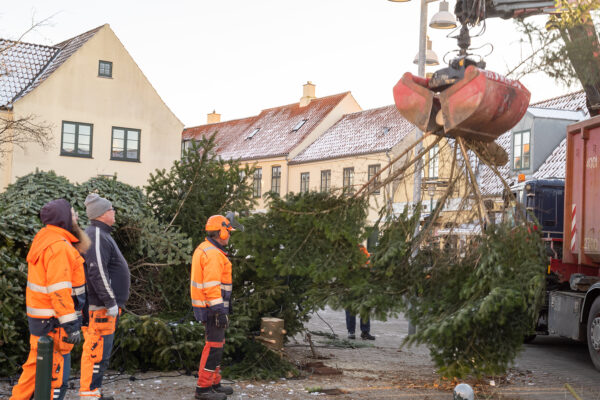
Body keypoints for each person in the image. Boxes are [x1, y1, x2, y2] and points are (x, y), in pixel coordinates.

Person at [11, 199, 89, 400]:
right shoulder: (59, 247)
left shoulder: (45, 239)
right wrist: (71, 323)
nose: (76, 217)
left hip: (44, 322)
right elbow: (59, 290)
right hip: (54, 325)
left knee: (33, 374)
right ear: (63, 219)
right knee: (52, 379)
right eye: (72, 214)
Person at [79, 193, 130, 400]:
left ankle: (94, 391)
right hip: (101, 308)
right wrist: (109, 302)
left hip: (105, 307)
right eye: (110, 209)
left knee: (101, 353)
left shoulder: (101, 234)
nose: (114, 212)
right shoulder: (96, 236)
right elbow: (97, 271)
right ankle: (89, 392)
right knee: (96, 352)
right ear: (101, 214)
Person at [191, 212, 243, 400]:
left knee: (218, 345)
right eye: (228, 232)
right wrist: (220, 310)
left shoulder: (208, 249)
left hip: (212, 306)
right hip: (212, 307)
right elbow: (212, 286)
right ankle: (203, 389)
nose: (229, 235)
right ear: (221, 233)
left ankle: (214, 382)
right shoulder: (213, 254)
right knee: (213, 346)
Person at [345, 244, 375, 341]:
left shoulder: (362, 249)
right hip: (351, 284)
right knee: (350, 308)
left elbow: (368, 265)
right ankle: (351, 331)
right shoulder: (346, 251)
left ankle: (365, 332)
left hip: (363, 284)